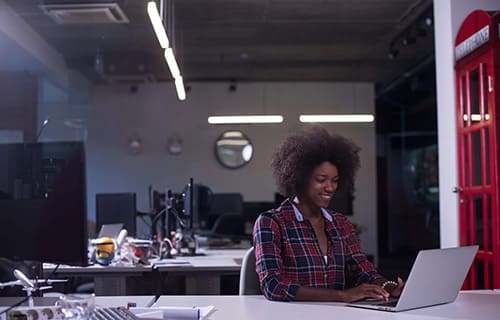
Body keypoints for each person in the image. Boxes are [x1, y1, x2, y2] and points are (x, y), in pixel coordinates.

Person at [253, 127, 404, 302]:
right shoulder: (271, 223)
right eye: (321, 180)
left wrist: (387, 287)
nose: (330, 187)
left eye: (335, 181)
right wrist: (343, 296)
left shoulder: (340, 223)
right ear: (300, 178)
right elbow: (273, 285)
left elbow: (363, 270)